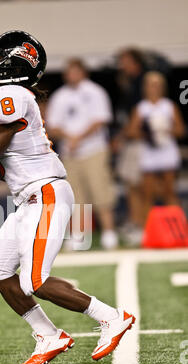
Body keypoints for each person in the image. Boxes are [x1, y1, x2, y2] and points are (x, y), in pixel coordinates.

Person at [0, 31, 135, 364]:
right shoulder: (9, 97)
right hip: (30, 195)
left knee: (34, 280)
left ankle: (112, 317)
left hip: (45, 193)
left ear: (11, 64)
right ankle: (48, 335)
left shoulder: (8, 95)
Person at [46, 59, 118, 250]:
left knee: (100, 190)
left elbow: (101, 119)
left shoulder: (95, 92)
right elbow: (52, 126)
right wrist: (70, 137)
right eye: (69, 72)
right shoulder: (60, 96)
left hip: (94, 150)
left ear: (83, 72)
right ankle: (79, 235)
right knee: (75, 195)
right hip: (70, 153)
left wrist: (80, 137)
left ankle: (109, 233)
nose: (72, 75)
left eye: (76, 71)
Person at [126, 71, 185, 221]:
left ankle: (176, 226)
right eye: (151, 85)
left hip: (166, 151)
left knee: (169, 191)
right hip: (149, 153)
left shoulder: (169, 106)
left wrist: (164, 129)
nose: (154, 88)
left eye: (157, 85)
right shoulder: (141, 108)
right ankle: (148, 228)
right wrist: (147, 132)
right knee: (148, 193)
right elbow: (131, 131)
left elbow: (181, 130)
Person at [113, 48, 147, 245]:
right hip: (130, 140)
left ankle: (142, 224)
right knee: (130, 183)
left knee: (139, 184)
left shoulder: (141, 82)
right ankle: (136, 222)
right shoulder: (129, 84)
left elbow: (139, 116)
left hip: (139, 141)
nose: (121, 65)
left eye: (125, 60)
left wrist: (122, 136)